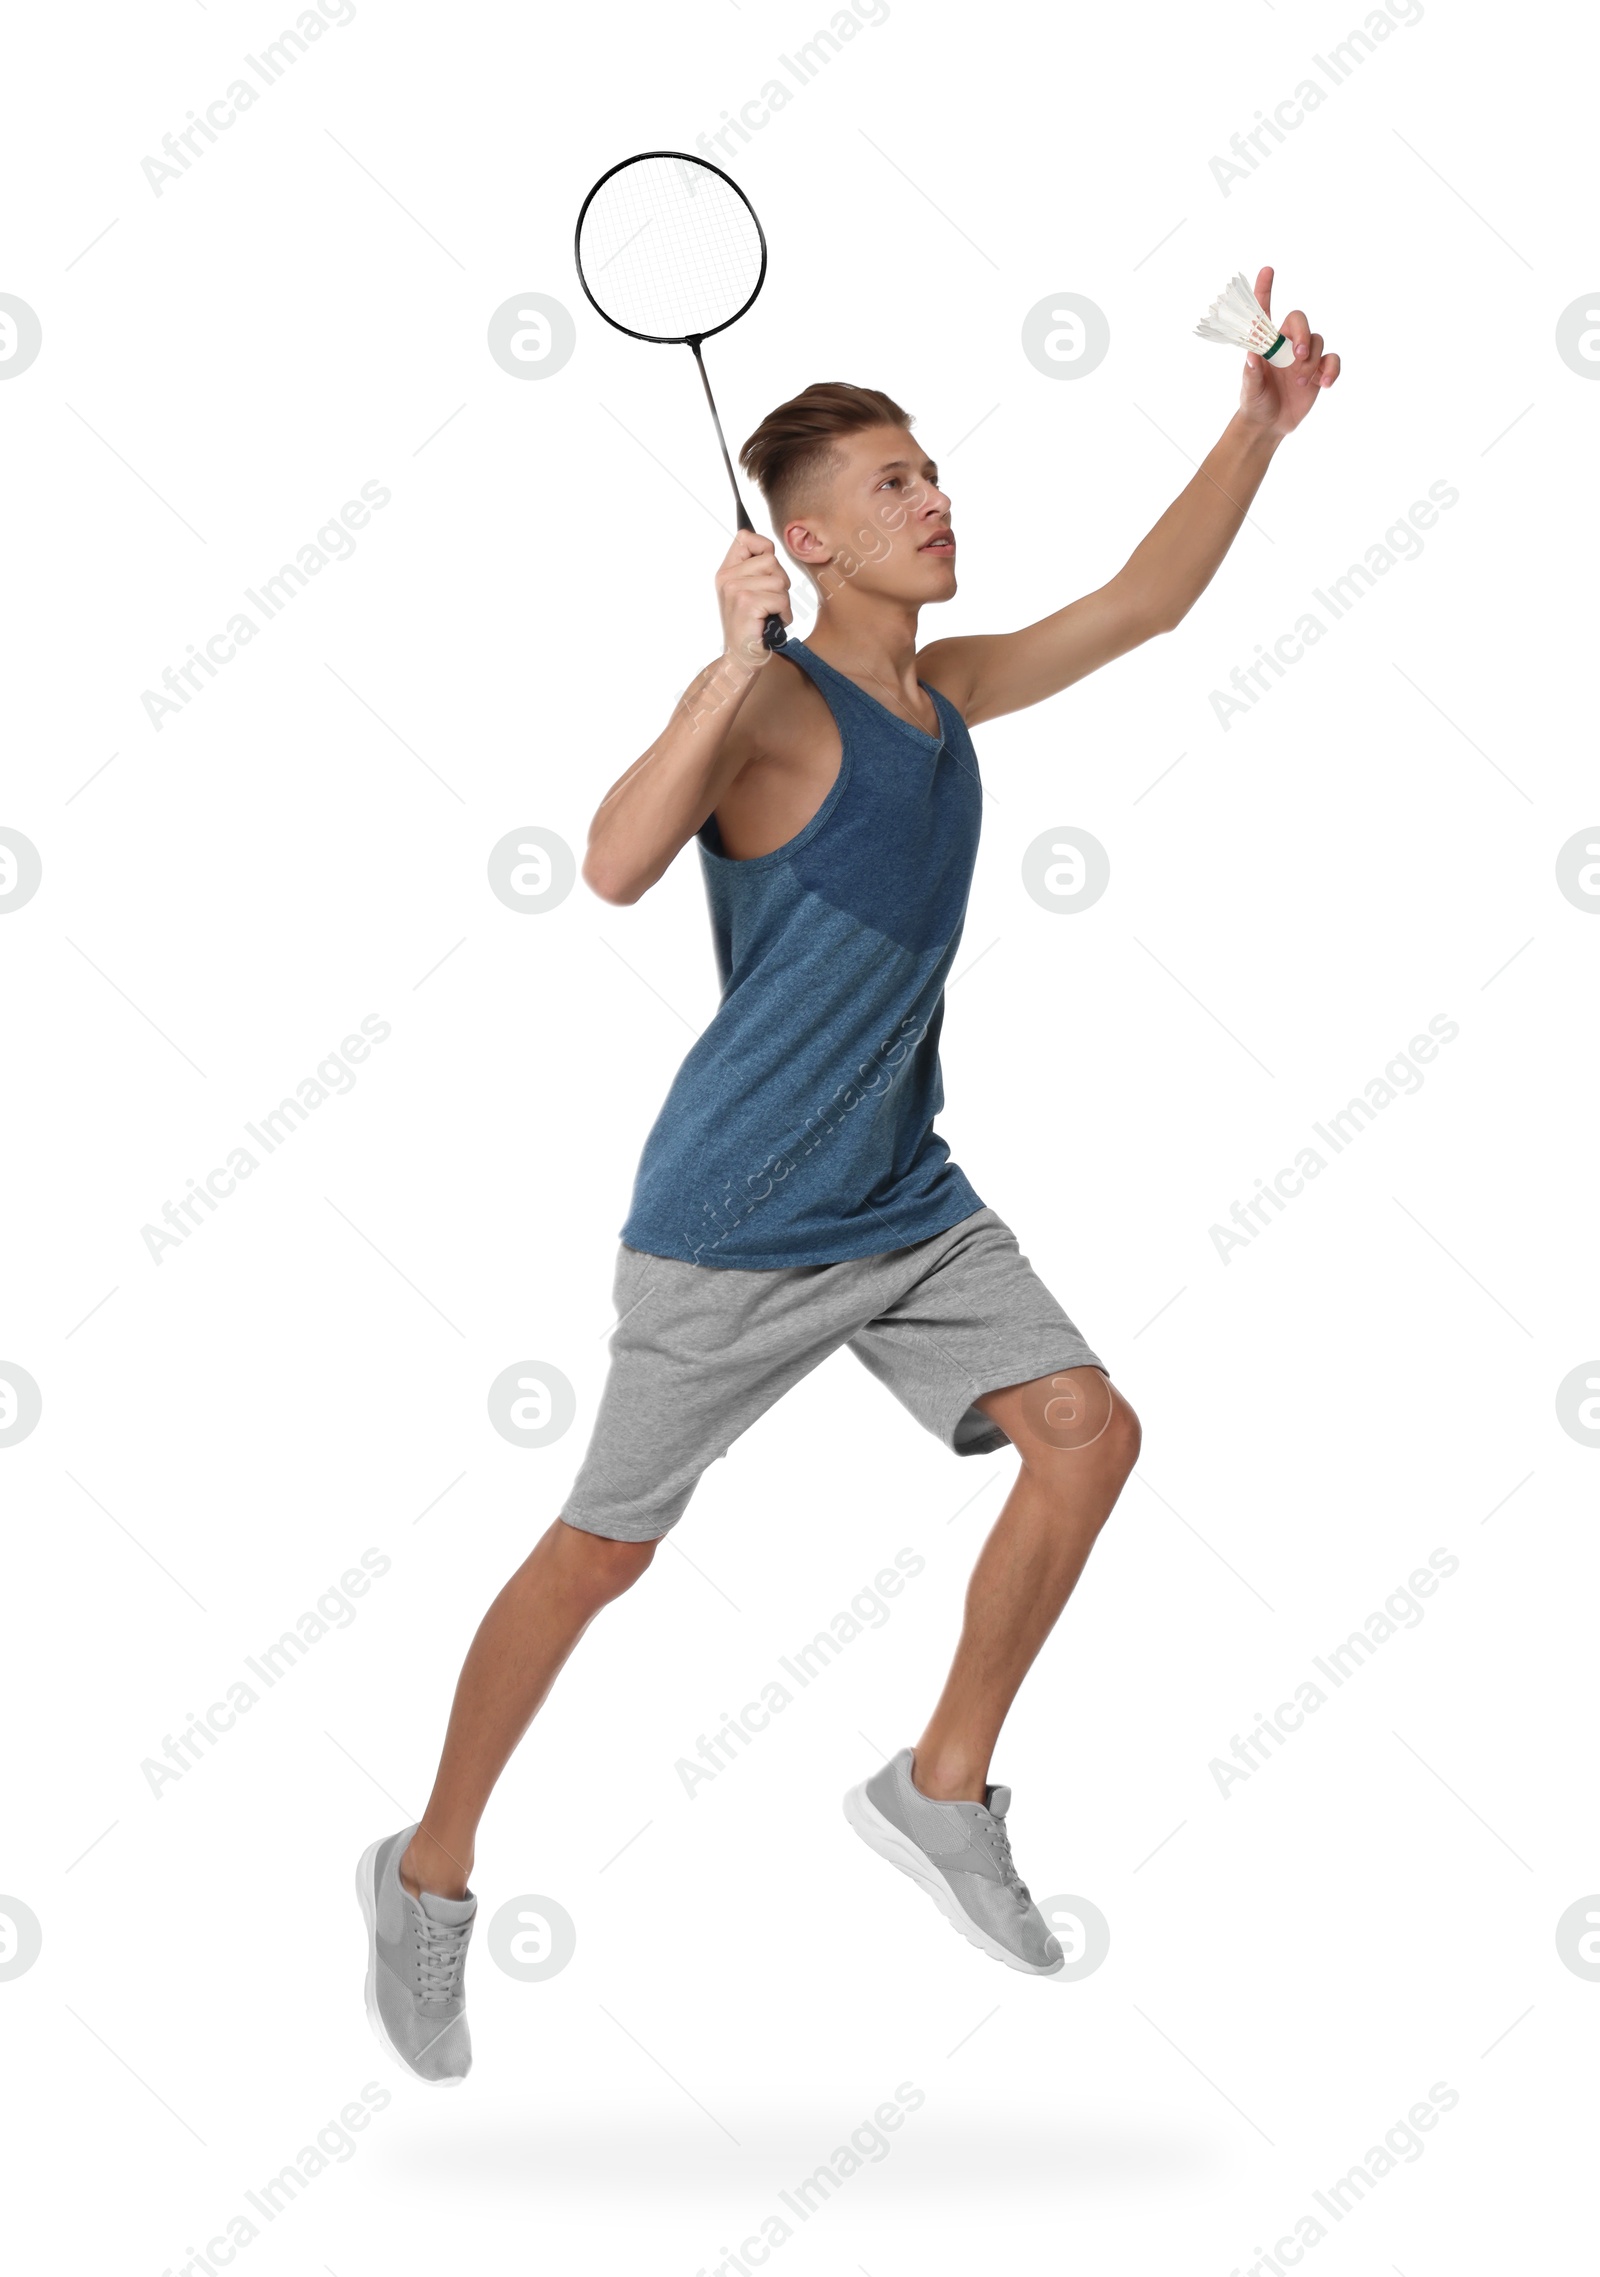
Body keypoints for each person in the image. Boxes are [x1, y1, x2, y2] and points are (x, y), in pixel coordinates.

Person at [357, 267, 1340, 2082]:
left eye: (933, 469)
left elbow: (1142, 603)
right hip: (735, 1223)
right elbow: (611, 864)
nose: (935, 497)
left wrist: (1253, 431)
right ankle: (423, 1879)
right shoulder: (770, 706)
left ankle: (937, 1782)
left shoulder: (948, 693)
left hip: (905, 1201)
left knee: (1090, 1428)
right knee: (596, 1560)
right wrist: (727, 666)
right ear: (804, 539)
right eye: (893, 484)